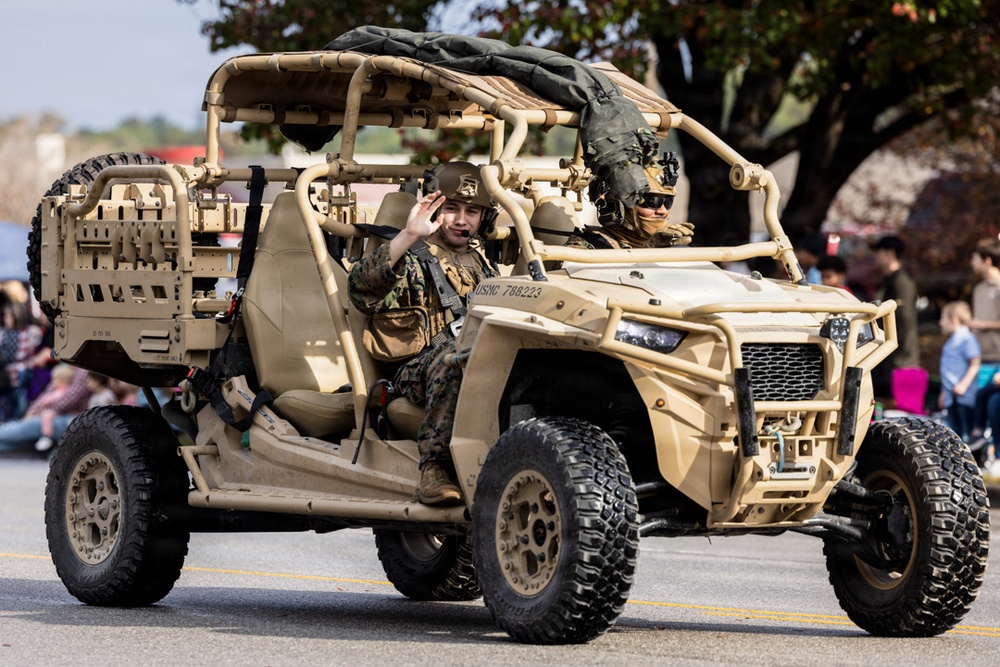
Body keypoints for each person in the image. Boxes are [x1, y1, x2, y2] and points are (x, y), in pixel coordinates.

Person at [349, 162, 499, 505]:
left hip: (477, 357)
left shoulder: (483, 264)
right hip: (420, 369)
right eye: (451, 209)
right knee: (452, 361)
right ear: (434, 209)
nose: (462, 220)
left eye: (472, 211)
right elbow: (360, 288)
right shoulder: (412, 258)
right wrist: (410, 235)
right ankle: (434, 469)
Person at [568, 152, 694, 250]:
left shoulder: (669, 247)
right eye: (652, 201)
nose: (663, 211)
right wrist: (650, 251)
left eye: (668, 202)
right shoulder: (583, 248)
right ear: (617, 206)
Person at [871, 234, 920, 406]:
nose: (875, 256)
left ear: (890, 253)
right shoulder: (889, 281)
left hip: (899, 359)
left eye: (878, 252)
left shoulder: (902, 283)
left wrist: (899, 352)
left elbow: (905, 321)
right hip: (888, 357)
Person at [0, 364, 90, 455]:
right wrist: (33, 410)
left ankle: (46, 437)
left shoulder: (83, 371)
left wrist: (41, 410)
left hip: (69, 417)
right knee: (21, 430)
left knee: (29, 426)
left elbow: (68, 400)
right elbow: (47, 393)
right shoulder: (65, 369)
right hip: (54, 414)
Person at [938, 301, 980, 441]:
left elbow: (975, 363)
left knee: (966, 434)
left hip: (964, 396)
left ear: (954, 319)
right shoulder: (950, 342)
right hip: (951, 396)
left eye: (943, 318)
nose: (940, 322)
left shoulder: (967, 339)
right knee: (953, 434)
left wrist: (963, 384)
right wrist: (943, 393)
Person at [969, 238, 1000, 386]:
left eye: (975, 258)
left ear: (987, 260)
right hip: (980, 358)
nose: (972, 263)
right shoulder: (978, 289)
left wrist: (981, 324)